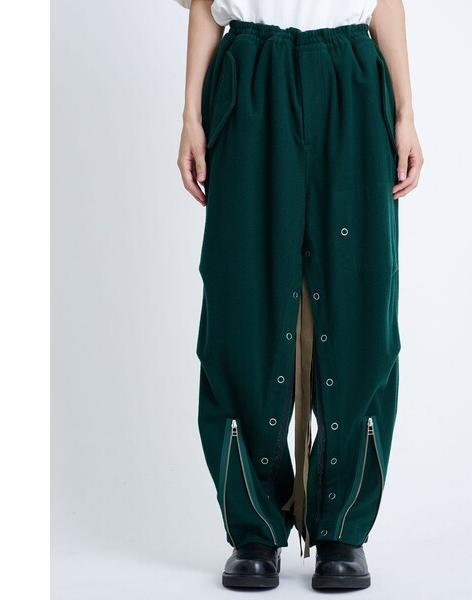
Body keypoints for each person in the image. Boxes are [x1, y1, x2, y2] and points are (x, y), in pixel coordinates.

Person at [175, 0, 423, 590]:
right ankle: (254, 529)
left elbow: (385, 3)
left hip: (351, 74)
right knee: (242, 298)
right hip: (250, 73)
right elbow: (205, 6)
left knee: (361, 296)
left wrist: (406, 113)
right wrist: (190, 115)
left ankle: (343, 528)